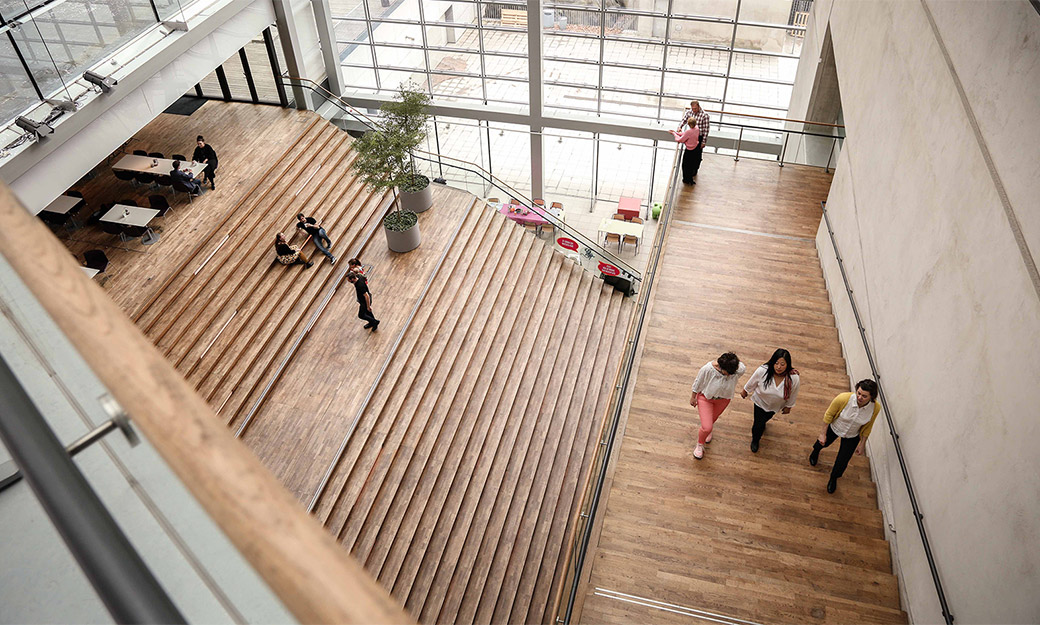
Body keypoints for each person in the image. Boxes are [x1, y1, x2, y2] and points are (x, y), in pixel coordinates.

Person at [810, 380, 881, 493]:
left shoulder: (875, 408)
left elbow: (868, 426)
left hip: (853, 435)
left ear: (871, 397)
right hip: (835, 427)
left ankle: (834, 478)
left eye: (864, 396)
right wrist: (822, 434)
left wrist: (862, 444)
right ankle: (815, 451)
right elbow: (829, 415)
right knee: (822, 443)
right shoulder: (843, 398)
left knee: (842, 461)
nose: (860, 397)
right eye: (858, 393)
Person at [740, 348, 799, 453]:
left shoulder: (793, 378)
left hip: (775, 406)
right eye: (776, 363)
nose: (778, 367)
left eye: (782, 364)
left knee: (765, 420)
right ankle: (755, 440)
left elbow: (793, 393)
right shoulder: (763, 370)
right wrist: (745, 391)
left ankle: (762, 424)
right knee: (758, 424)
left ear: (788, 364)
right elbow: (752, 382)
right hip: (760, 402)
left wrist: (789, 406)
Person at [690, 352, 746, 460]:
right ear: (720, 367)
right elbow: (698, 383)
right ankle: (700, 445)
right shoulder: (707, 369)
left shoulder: (737, 370)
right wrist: (693, 397)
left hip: (723, 400)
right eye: (727, 373)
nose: (730, 375)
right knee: (706, 427)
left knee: (712, 419)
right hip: (706, 399)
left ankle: (708, 432)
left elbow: (742, 367)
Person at [678, 100, 710, 183]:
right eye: (693, 108)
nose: (694, 110)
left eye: (695, 108)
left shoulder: (704, 115)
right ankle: (689, 174)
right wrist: (680, 126)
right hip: (691, 137)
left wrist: (703, 142)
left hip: (699, 137)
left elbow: (706, 130)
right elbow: (684, 120)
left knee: (697, 156)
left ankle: (694, 170)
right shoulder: (689, 113)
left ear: (699, 107)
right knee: (690, 157)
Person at [670, 119, 701, 185]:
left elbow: (680, 139)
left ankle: (687, 179)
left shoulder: (689, 131)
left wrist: (674, 134)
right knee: (691, 165)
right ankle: (690, 179)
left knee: (686, 165)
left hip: (689, 150)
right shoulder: (697, 128)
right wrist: (677, 133)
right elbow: (685, 134)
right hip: (695, 149)